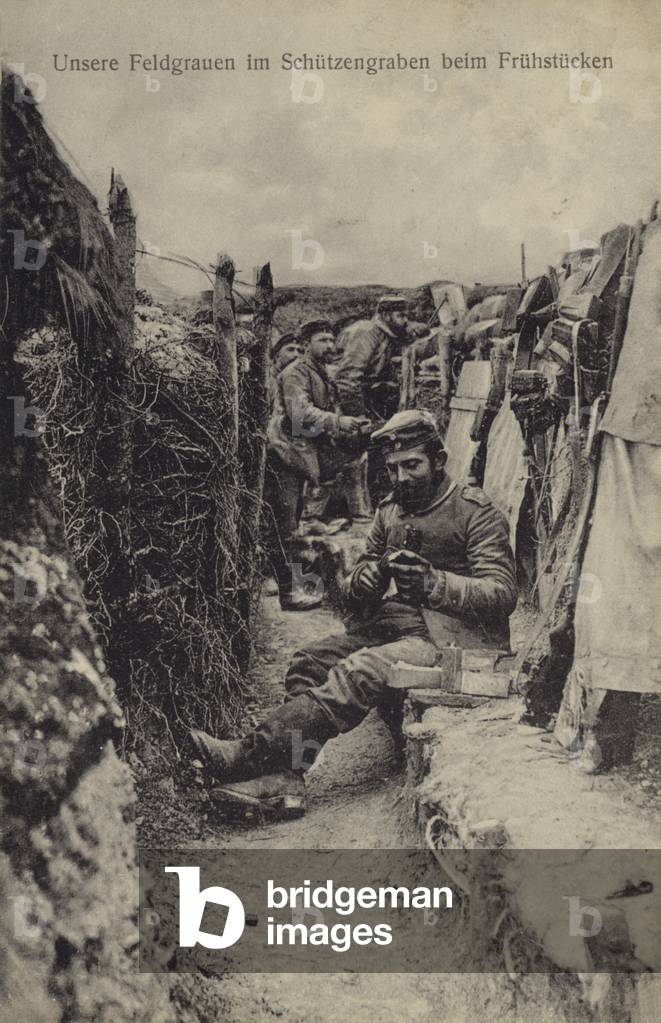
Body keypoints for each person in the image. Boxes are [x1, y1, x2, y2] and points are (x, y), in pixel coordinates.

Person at [191, 409, 518, 816]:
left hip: (448, 640)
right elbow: (359, 577)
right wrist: (366, 579)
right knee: (309, 662)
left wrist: (435, 583)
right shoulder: (390, 511)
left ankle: (249, 755)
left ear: (439, 460)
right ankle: (286, 777)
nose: (402, 477)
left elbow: (503, 592)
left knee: (359, 670)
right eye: (394, 467)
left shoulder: (474, 512)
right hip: (393, 628)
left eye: (413, 465)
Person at [264, 318, 365, 611]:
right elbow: (299, 416)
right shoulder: (296, 372)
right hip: (285, 455)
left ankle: (300, 589)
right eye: (323, 340)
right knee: (285, 528)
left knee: (294, 525)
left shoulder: (319, 372)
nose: (330, 345)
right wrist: (336, 422)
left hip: (299, 456)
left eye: (332, 340)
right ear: (307, 344)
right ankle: (289, 593)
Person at [333, 294, 414, 515]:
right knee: (355, 459)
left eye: (406, 315)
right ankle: (354, 513)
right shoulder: (366, 333)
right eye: (400, 315)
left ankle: (372, 509)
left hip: (370, 405)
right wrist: (359, 418)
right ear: (386, 315)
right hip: (344, 406)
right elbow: (347, 379)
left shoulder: (386, 335)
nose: (405, 320)